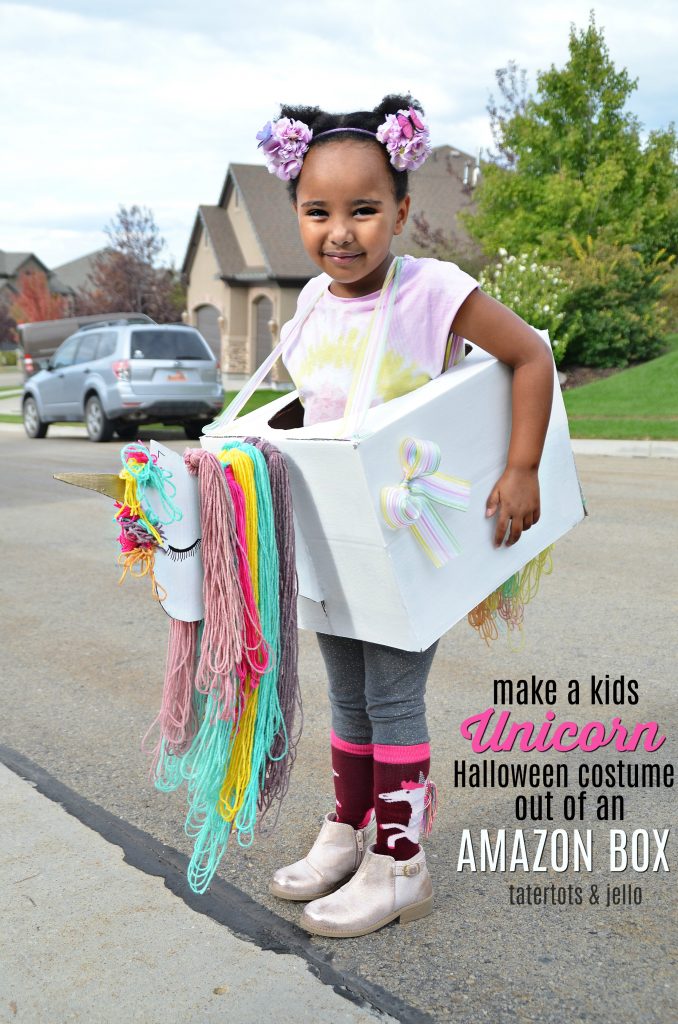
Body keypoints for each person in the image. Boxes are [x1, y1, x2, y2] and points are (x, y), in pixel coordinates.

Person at [257, 94, 554, 938]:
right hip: (335, 533)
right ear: (296, 214)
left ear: (403, 212)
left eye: (364, 210)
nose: (340, 231)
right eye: (319, 211)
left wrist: (521, 467)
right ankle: (350, 831)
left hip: (406, 534)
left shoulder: (433, 292)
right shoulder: (311, 303)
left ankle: (402, 862)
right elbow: (307, 407)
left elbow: (529, 355)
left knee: (391, 699)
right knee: (346, 694)